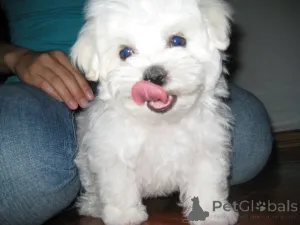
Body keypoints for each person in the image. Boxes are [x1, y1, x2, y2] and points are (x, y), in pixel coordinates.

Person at [0, 0, 273, 225]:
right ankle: (99, 195)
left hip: (197, 99)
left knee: (248, 142)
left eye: (176, 40)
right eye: (127, 52)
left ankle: (202, 205)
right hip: (36, 84)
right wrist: (15, 57)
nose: (153, 72)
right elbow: (110, 161)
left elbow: (208, 158)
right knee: (25, 168)